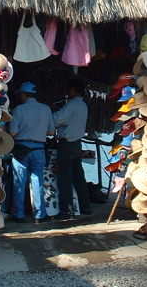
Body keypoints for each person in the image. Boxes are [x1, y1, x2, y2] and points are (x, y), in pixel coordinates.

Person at [8, 81, 55, 224]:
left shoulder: (19, 109)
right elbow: (52, 132)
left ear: (23, 95)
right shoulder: (46, 109)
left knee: (19, 183)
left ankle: (18, 214)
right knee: (37, 181)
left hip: (22, 149)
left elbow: (13, 132)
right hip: (39, 148)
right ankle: (40, 215)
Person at [52, 78, 92, 220]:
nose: (68, 93)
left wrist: (53, 112)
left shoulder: (72, 105)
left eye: (69, 90)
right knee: (79, 177)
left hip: (67, 144)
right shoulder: (83, 106)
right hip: (77, 144)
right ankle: (85, 206)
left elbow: (57, 119)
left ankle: (66, 209)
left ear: (73, 89)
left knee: (65, 178)